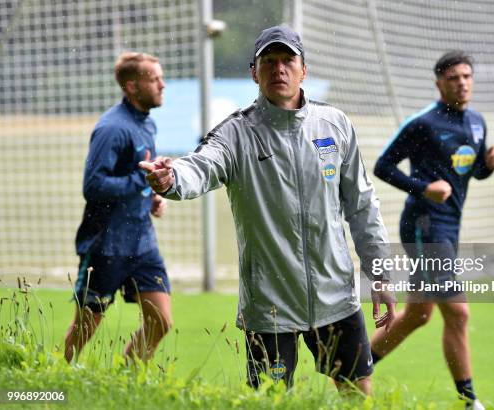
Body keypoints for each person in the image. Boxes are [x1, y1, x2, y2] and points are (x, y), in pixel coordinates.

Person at [140, 25, 395, 394]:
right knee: (270, 400)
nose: (279, 69)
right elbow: (201, 166)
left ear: (303, 69)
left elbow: (362, 206)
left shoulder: (335, 125)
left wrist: (380, 274)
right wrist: (170, 179)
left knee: (358, 391)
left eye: (288, 60)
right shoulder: (236, 134)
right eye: (269, 61)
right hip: (269, 305)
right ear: (253, 72)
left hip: (335, 295)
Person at [370, 50, 494, 409]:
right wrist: (423, 188)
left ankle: (352, 367)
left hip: (449, 227)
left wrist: (486, 168)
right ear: (439, 83)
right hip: (424, 225)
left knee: (418, 315)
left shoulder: (476, 122)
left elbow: (467, 172)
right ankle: (469, 401)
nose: (462, 82)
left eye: (467, 76)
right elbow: (383, 167)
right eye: (453, 77)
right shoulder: (423, 123)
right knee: (458, 312)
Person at [64, 52, 172, 363]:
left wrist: (151, 195)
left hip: (142, 243)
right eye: (154, 79)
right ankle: (55, 380)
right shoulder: (112, 128)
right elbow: (94, 186)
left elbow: (136, 175)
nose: (162, 85)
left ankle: (127, 378)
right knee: (85, 328)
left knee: (161, 322)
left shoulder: (146, 124)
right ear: (132, 86)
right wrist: (139, 181)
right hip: (106, 246)